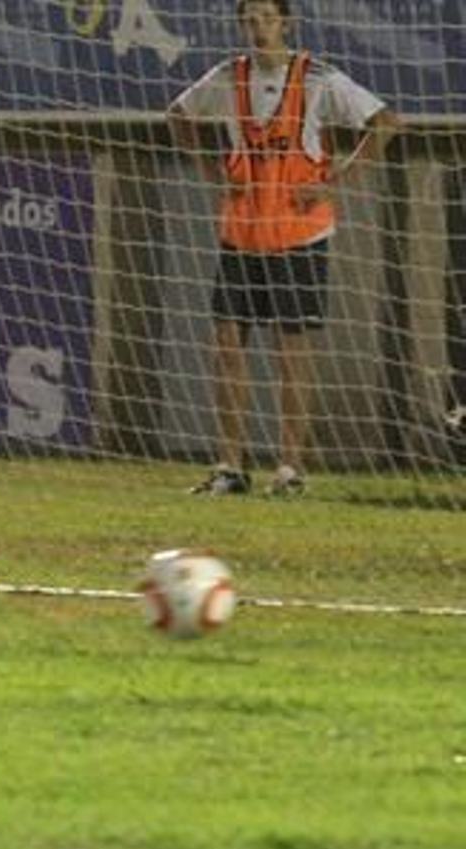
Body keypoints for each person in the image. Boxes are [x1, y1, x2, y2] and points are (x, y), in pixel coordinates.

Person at [168, 0, 398, 496]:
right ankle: (229, 466)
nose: (258, 27)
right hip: (242, 233)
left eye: (267, 17)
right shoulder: (228, 77)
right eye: (248, 18)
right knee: (226, 348)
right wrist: (210, 171)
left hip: (300, 235)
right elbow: (177, 116)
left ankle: (290, 469)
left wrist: (335, 180)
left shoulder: (318, 78)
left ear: (286, 22)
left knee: (291, 357)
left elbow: (385, 124)